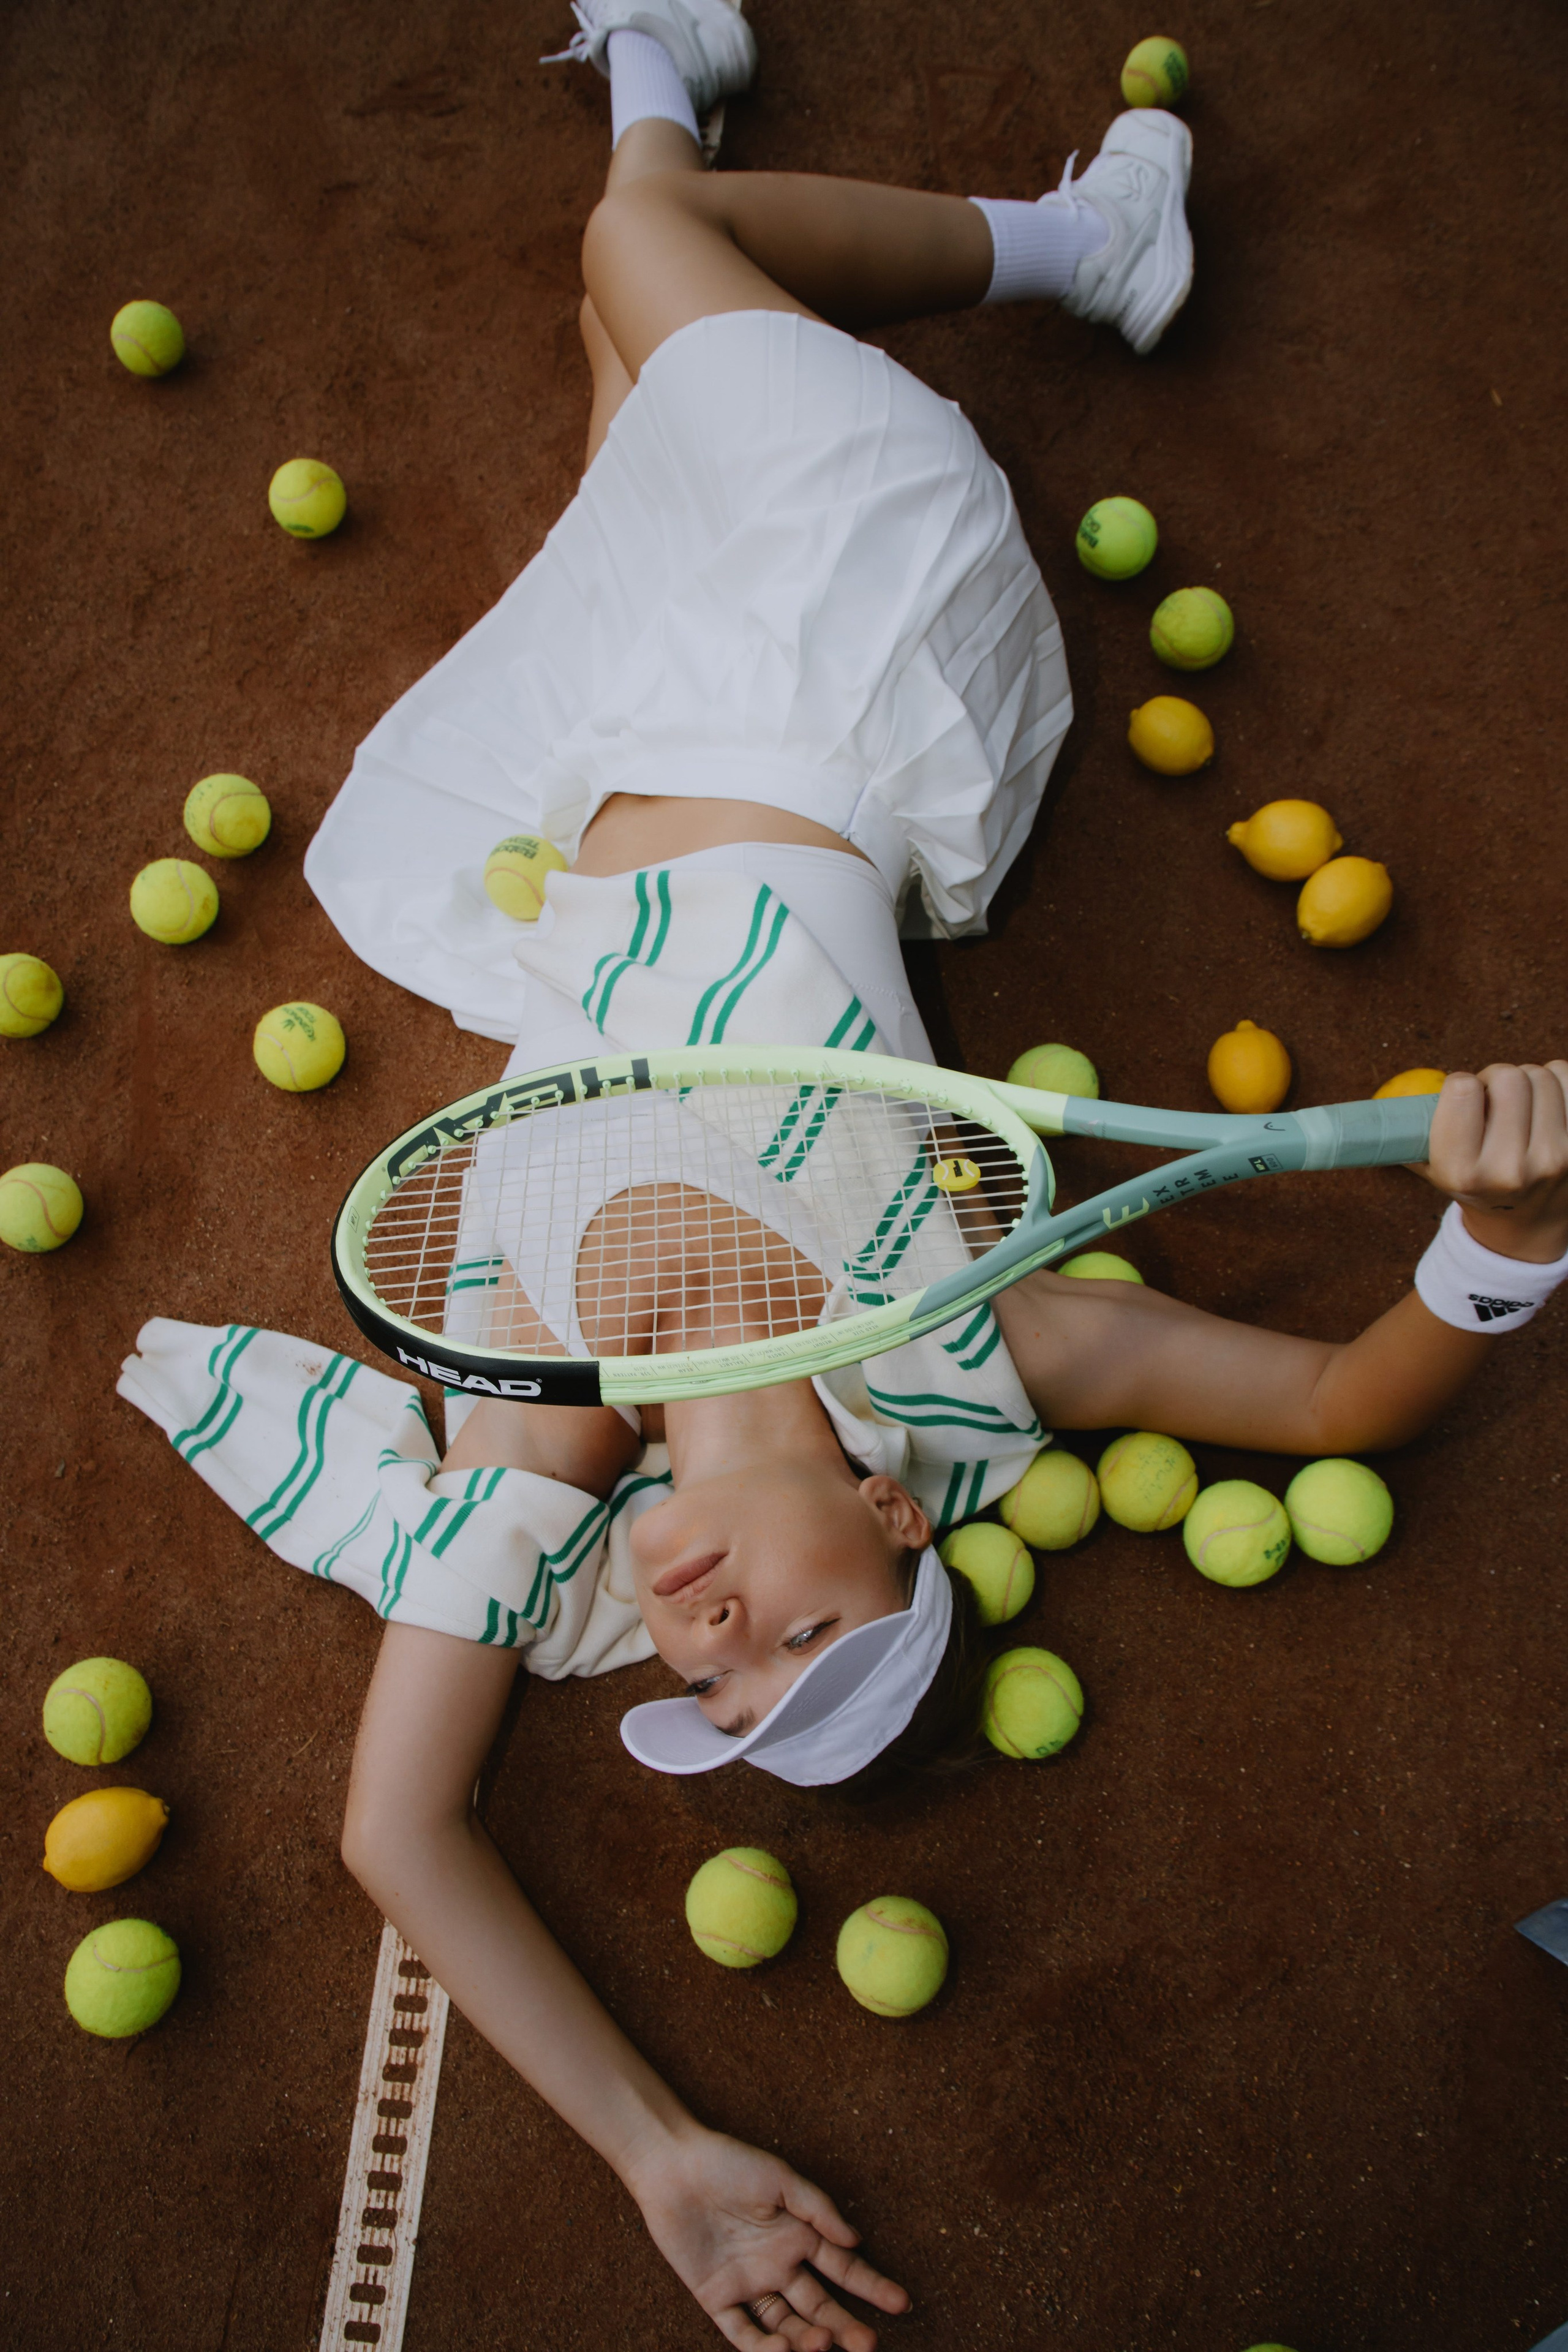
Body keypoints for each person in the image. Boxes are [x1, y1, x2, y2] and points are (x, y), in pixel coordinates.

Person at [116, 6, 1568, 2346]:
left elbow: (399, 1831)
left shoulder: (536, 1423)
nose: (709, 1633)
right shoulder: (969, 1340)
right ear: (901, 1519)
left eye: (710, 1676)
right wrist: (1509, 1244)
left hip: (609, 737)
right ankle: (1089, 240)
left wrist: (663, 2156)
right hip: (848, 646)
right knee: (635, 255)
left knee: (623, 304)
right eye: (806, 1634)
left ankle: (668, 55)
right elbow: (1333, 1410)